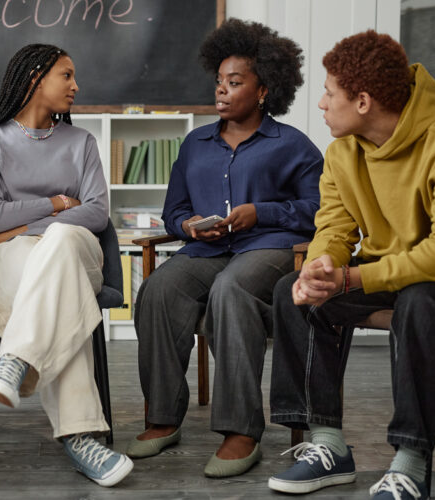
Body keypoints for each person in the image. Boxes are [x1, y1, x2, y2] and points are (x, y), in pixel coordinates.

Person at [129, 18, 323, 478]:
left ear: (263, 90)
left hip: (269, 249)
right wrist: (190, 225)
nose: (221, 91)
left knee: (231, 291)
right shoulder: (196, 144)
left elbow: (319, 211)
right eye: (219, 81)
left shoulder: (293, 145)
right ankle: (162, 417)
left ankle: (241, 430)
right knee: (157, 290)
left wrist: (264, 212)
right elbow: (173, 210)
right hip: (206, 251)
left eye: (234, 83)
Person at [267, 31, 435, 500]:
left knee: (419, 304)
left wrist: (352, 277)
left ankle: (411, 461)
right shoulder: (342, 151)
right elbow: (333, 226)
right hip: (388, 270)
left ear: (364, 101)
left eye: (330, 93)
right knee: (294, 295)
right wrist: (318, 269)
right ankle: (327, 445)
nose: (322, 104)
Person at [0, 43, 133, 487]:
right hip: (10, 264)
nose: (76, 86)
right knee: (64, 296)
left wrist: (18, 229)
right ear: (36, 78)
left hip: (77, 249)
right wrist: (57, 203)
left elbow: (96, 214)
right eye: (67, 75)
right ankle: (81, 438)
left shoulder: (82, 142)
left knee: (59, 240)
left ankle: (16, 359)